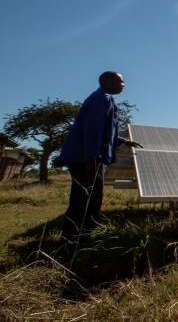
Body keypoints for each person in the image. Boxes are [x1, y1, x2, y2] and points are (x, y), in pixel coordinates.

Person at [57, 71, 143, 245]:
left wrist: (123, 142)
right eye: (120, 82)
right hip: (87, 160)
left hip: (91, 158)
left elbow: (105, 132)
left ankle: (80, 237)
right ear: (107, 81)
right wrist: (92, 157)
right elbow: (92, 131)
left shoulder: (105, 99)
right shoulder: (101, 99)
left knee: (89, 200)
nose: (123, 85)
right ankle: (73, 241)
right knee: (85, 201)